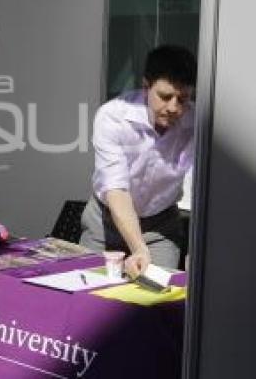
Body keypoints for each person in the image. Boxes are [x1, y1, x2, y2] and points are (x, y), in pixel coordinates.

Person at [79, 45, 196, 278]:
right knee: (92, 293)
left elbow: (209, 187)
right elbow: (116, 190)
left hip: (161, 225)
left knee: (156, 298)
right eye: (165, 97)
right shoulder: (113, 117)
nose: (173, 107)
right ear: (145, 87)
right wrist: (138, 248)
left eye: (182, 99)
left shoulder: (197, 123)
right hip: (106, 222)